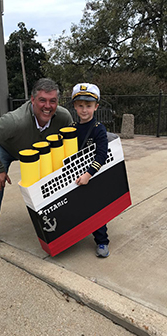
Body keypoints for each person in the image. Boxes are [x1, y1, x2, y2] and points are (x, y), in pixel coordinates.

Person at [0, 78, 73, 251]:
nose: (48, 106)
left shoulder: (64, 117)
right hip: (7, 149)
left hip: (37, 153)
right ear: (33, 100)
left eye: (52, 101)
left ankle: (58, 221)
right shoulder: (15, 120)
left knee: (54, 180)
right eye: (42, 100)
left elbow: (70, 141)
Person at [71, 82, 110, 257]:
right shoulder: (71, 128)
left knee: (95, 211)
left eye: (88, 105)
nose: (84, 110)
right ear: (75, 106)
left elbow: (101, 155)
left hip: (92, 175)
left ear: (96, 107)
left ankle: (102, 241)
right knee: (76, 207)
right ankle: (74, 237)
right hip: (75, 175)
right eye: (80, 106)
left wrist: (88, 174)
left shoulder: (98, 129)